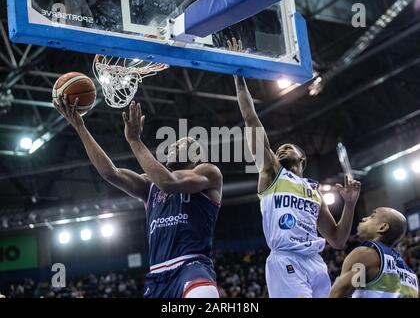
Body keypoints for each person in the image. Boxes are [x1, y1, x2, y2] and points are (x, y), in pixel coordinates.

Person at [229, 38, 361, 298]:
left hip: (316, 262)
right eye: (279, 149)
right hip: (285, 259)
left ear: (303, 159)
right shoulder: (271, 173)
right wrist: (238, 74)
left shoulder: (314, 192)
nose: (281, 149)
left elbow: (337, 240)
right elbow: (250, 119)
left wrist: (350, 205)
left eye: (288, 147)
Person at [54, 96, 222, 298]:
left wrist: (134, 140)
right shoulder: (149, 184)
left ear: (197, 155)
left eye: (181, 143)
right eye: (173, 144)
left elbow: (169, 183)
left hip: (191, 266)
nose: (172, 146)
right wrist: (80, 127)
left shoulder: (208, 172)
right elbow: (111, 173)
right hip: (157, 276)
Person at [330, 207, 418, 298]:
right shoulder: (412, 277)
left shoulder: (365, 255)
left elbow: (337, 294)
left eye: (372, 216)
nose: (364, 219)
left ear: (382, 227)